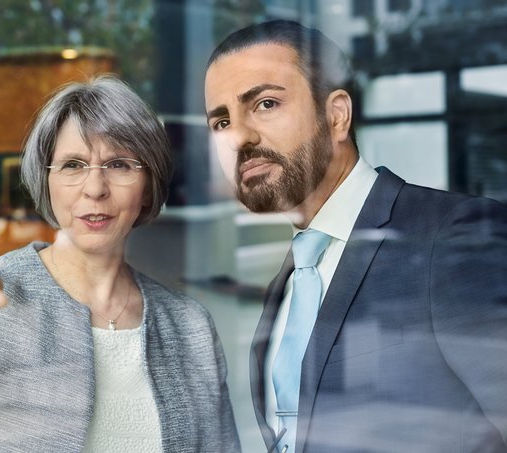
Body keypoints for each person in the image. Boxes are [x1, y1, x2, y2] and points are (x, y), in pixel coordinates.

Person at [0, 75, 241, 452]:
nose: (95, 188)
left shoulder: (189, 325)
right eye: (73, 165)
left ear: (148, 184)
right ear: (46, 179)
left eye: (119, 165)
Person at [204, 19, 507, 453]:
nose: (240, 137)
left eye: (266, 103)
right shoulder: (289, 282)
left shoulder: (452, 237)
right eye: (221, 122)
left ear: (337, 115)